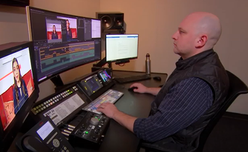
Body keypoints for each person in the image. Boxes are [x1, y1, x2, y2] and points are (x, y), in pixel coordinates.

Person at [97, 12, 229, 151]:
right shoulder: (202, 64)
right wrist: (147, 89)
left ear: (200, 41)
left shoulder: (196, 83)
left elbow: (150, 131)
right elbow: (178, 93)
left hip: (169, 142)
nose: (174, 35)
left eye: (182, 32)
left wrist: (114, 113)